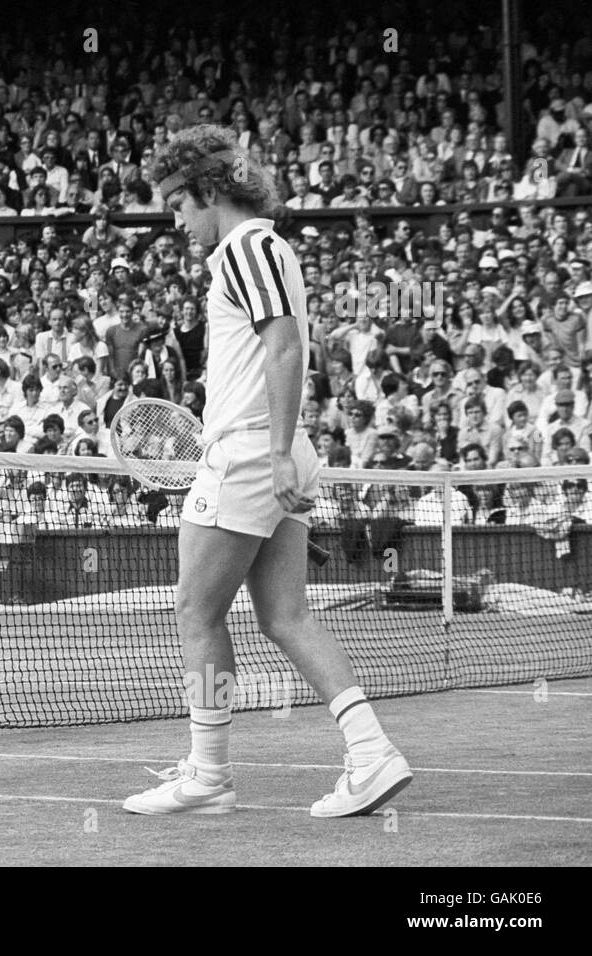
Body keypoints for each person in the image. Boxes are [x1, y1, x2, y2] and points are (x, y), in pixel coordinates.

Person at [124, 126, 411, 818]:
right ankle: (371, 753)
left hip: (253, 453)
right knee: (285, 615)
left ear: (209, 192)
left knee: (196, 610)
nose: (177, 222)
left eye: (178, 205)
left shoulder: (246, 247)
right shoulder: (264, 249)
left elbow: (285, 349)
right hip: (269, 448)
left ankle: (208, 773)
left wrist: (276, 451)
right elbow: (273, 355)